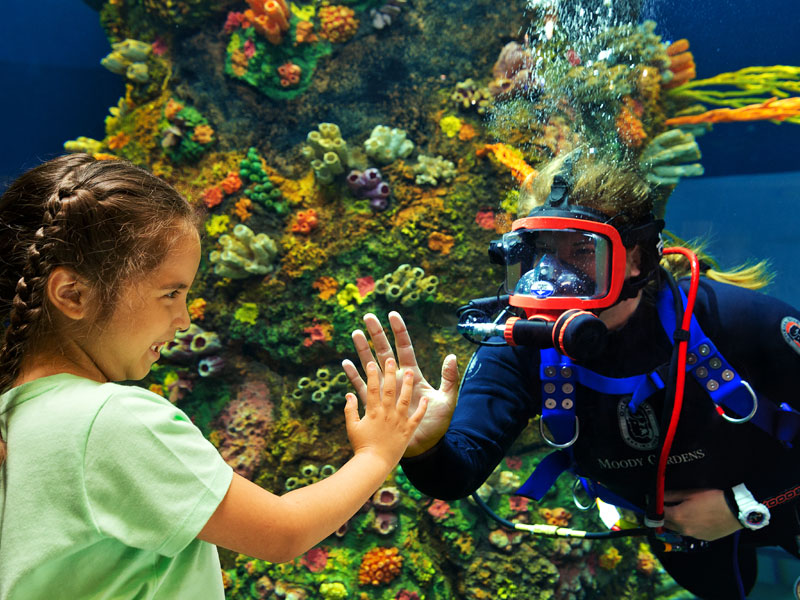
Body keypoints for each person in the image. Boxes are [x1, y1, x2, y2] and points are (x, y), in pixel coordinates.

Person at [343, 149, 800, 600]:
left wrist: (746, 504)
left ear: (637, 259)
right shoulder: (524, 348)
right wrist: (423, 448)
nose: (556, 278)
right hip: (679, 533)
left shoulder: (733, 320)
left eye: (583, 251)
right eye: (542, 252)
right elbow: (456, 476)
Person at [0, 154, 427, 600]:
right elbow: (283, 532)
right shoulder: (110, 420)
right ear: (73, 294)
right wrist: (378, 452)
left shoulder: (11, 420)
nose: (184, 319)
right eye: (170, 293)